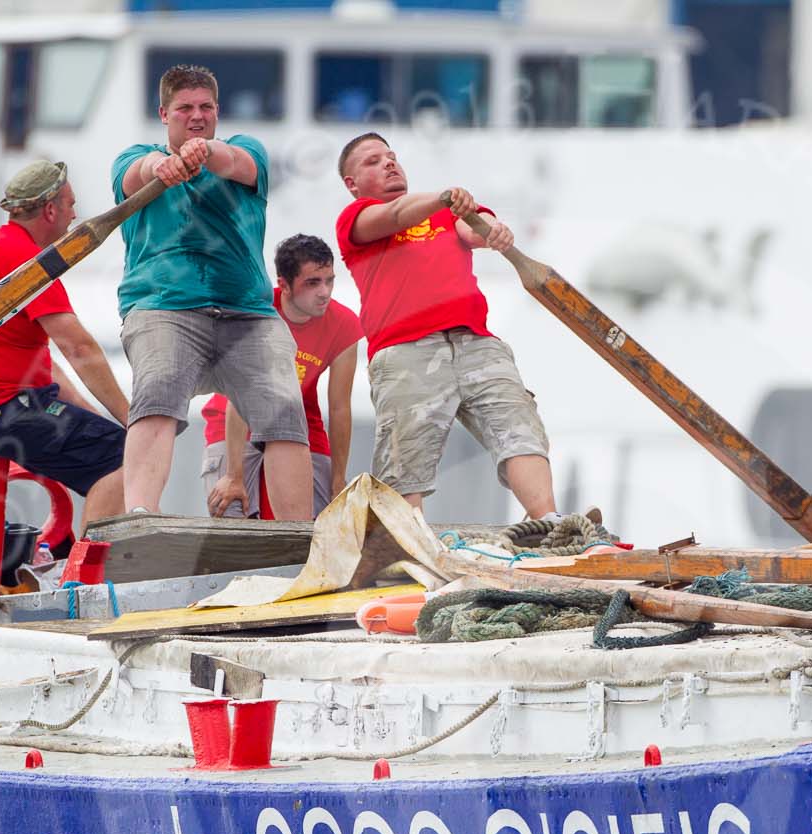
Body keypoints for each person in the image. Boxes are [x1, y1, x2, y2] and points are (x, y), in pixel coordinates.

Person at [111, 64, 310, 517]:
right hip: (164, 309)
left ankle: (301, 536)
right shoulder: (134, 157)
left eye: (205, 107)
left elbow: (234, 163)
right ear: (164, 113)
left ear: (217, 111)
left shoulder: (247, 149)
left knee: (283, 411)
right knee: (158, 392)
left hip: (248, 314)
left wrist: (202, 152)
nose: (196, 115)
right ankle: (141, 517)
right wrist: (160, 167)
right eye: (185, 108)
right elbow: (133, 177)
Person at [333, 132, 556, 519]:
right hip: (405, 350)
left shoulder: (445, 211)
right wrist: (445, 199)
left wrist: (491, 228)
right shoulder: (356, 218)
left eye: (391, 156)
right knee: (405, 461)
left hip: (476, 342)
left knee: (519, 428)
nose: (389, 163)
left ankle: (551, 522)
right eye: (372, 161)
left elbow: (474, 227)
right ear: (352, 184)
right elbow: (395, 215)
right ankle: (406, 544)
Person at [0, 161, 129, 543]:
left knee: (111, 440)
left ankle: (65, 556)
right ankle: (86, 578)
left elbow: (47, 365)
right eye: (71, 204)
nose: (76, 215)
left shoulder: (5, 247)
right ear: (50, 210)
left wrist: (99, 417)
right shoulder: (25, 261)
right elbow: (79, 347)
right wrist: (135, 422)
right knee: (124, 456)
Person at [200, 234, 361, 520]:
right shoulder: (255, 311)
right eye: (312, 283)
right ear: (284, 285)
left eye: (329, 280)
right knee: (231, 517)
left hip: (300, 421)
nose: (324, 292)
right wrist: (234, 475)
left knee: (321, 526)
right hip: (236, 418)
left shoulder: (345, 324)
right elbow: (240, 396)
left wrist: (338, 479)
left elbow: (339, 408)